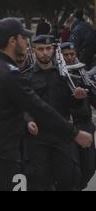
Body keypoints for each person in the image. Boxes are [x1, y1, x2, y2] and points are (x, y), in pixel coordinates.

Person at [0, 18, 93, 191]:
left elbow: (3, 111)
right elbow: (38, 107)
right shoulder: (9, 73)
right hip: (3, 153)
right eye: (23, 37)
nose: (26, 42)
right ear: (12, 40)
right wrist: (74, 134)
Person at [23, 35, 87, 191]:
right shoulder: (26, 77)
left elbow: (72, 106)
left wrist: (78, 98)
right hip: (38, 136)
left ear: (53, 49)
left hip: (62, 135)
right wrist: (28, 120)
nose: (44, 52)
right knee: (39, 181)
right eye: (40, 49)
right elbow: (22, 105)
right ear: (33, 51)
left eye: (48, 48)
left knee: (68, 178)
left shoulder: (64, 75)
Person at [61, 42, 96, 190]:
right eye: (66, 55)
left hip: (85, 124)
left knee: (89, 165)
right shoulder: (58, 75)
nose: (69, 57)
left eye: (72, 54)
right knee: (72, 168)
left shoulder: (83, 73)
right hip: (69, 126)